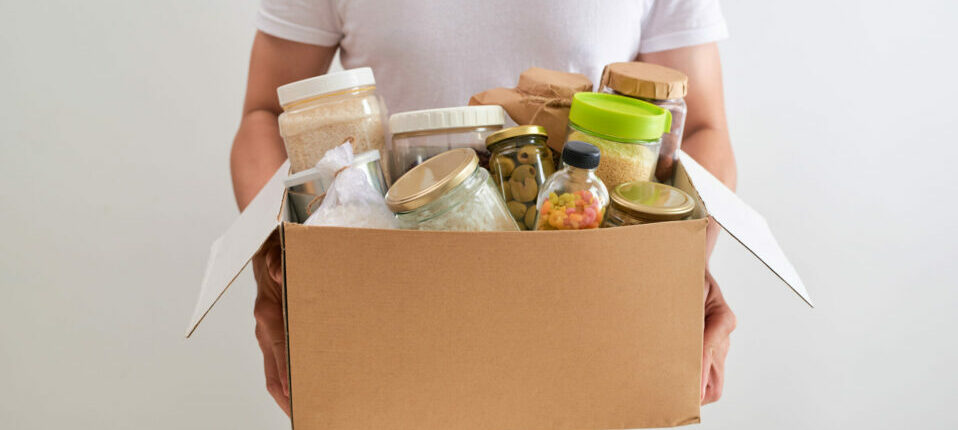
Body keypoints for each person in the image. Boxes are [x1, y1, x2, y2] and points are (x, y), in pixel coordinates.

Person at [233, 0, 738, 416]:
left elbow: (699, 129)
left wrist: (687, 263)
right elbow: (264, 113)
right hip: (391, 311)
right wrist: (274, 260)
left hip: (586, 316)